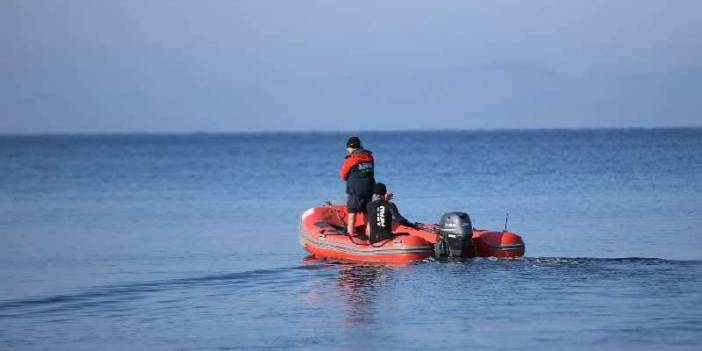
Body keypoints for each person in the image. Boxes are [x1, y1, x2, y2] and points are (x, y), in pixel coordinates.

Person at [340, 136, 375, 235]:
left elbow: (343, 176)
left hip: (355, 191)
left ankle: (350, 235)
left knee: (352, 215)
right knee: (367, 215)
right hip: (369, 190)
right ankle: (370, 236)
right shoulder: (370, 157)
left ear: (350, 148)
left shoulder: (350, 160)